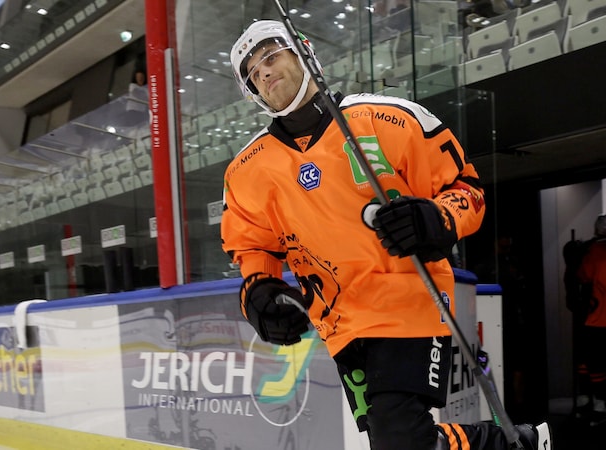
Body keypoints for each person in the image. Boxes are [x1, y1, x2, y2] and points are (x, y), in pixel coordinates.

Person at [220, 20, 550, 450]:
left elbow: (466, 191)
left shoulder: (389, 118)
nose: (262, 72)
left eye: (270, 55)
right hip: (339, 323)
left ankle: (513, 444)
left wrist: (434, 219)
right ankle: (520, 444)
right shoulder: (246, 171)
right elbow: (252, 245)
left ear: (303, 53)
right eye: (251, 71)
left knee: (399, 437)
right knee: (395, 439)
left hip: (411, 301)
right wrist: (258, 291)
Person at [576, 205, 606, 426]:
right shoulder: (596, 251)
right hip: (600, 321)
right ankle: (601, 404)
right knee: (596, 365)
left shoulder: (597, 250)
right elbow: (583, 276)